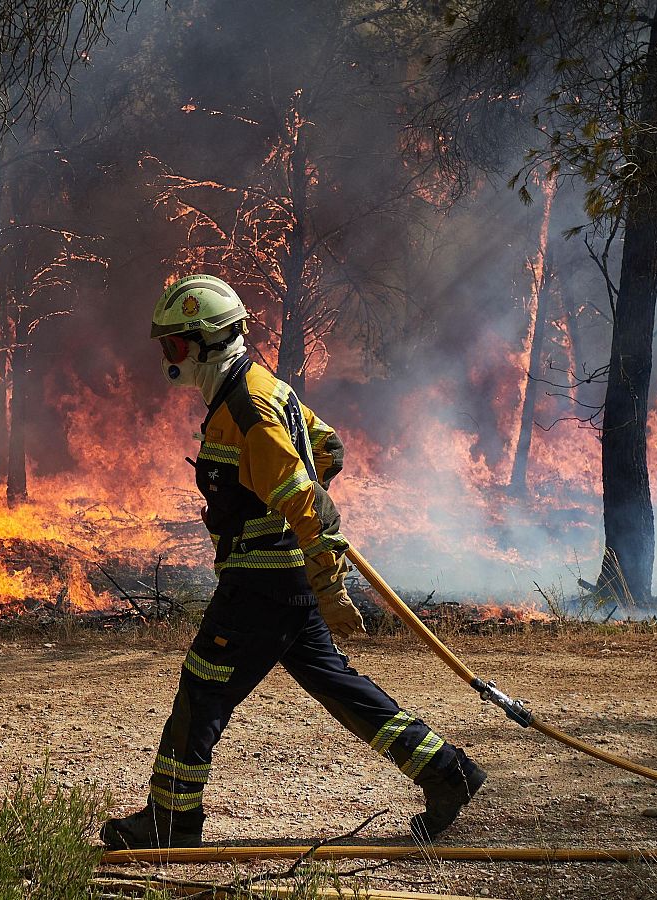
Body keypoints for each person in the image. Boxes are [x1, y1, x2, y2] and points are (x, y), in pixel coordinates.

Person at [100, 274, 486, 851]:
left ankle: (170, 822)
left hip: (261, 586)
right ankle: (443, 770)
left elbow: (308, 499)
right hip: (283, 579)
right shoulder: (263, 389)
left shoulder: (248, 407)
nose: (167, 357)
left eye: (174, 345)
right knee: (337, 685)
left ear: (207, 342)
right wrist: (291, 509)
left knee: (201, 693)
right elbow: (328, 447)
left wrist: (330, 584)